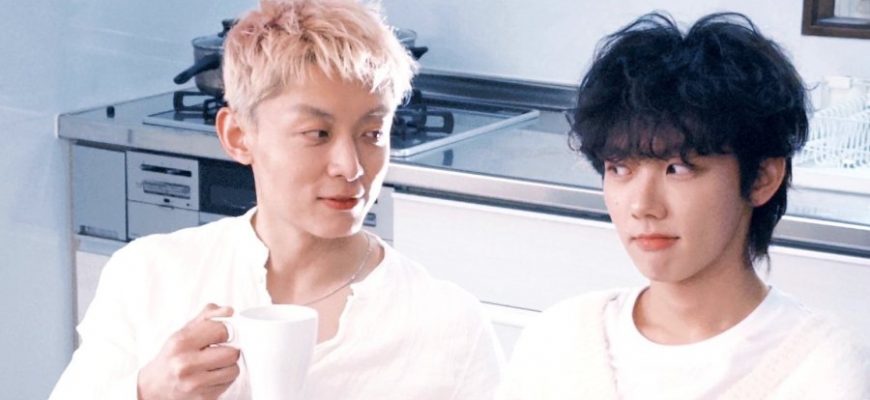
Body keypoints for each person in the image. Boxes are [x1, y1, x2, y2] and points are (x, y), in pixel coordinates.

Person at [49, 0, 503, 399]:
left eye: (372, 133)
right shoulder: (149, 277)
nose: (350, 167)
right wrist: (149, 392)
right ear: (238, 136)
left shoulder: (449, 326)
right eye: (317, 133)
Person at [498, 11, 869, 399]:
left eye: (677, 169)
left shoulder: (822, 372)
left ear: (762, 178)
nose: (642, 205)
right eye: (620, 168)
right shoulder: (560, 340)